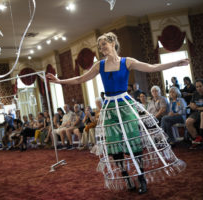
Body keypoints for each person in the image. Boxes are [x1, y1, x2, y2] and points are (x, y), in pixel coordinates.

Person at [47, 32, 188, 194]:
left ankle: (141, 177)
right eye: (100, 47)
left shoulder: (127, 62)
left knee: (133, 142)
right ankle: (126, 177)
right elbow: (80, 79)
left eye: (104, 45)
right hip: (109, 108)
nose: (102, 49)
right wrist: (59, 81)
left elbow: (152, 68)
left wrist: (176, 63)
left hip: (125, 105)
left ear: (113, 43)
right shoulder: (99, 65)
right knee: (114, 145)